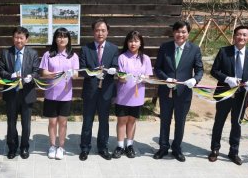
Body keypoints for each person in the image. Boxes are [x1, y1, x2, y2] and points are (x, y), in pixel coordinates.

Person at [209, 25, 248, 165]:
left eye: (244, 35)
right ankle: (214, 149)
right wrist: (227, 79)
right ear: (234, 36)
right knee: (219, 122)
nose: (241, 37)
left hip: (241, 96)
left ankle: (234, 152)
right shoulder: (224, 52)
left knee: (236, 124)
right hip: (224, 93)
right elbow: (214, 71)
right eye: (238, 34)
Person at [154, 20, 203, 162]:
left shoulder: (194, 49)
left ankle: (176, 148)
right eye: (177, 31)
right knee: (165, 120)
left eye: (183, 32)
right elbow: (158, 68)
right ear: (173, 32)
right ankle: (163, 147)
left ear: (188, 34)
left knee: (180, 121)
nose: (180, 34)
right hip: (166, 91)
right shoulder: (165, 47)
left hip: (184, 92)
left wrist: (195, 80)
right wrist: (166, 78)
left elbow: (199, 70)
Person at [79, 18, 119, 161]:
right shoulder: (85, 48)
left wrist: (112, 70)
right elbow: (82, 70)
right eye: (97, 30)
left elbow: (116, 67)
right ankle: (85, 147)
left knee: (104, 120)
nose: (100, 33)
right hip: (90, 90)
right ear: (93, 32)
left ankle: (102, 147)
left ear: (107, 32)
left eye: (103, 30)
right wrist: (94, 71)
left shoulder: (114, 49)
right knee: (87, 120)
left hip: (106, 90)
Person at [0, 26, 40, 159]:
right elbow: (0, 71)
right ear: (13, 38)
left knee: (26, 124)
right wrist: (11, 75)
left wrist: (31, 77)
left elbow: (36, 71)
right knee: (11, 122)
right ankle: (12, 147)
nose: (18, 40)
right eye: (16, 37)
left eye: (21, 38)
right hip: (11, 94)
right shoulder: (6, 53)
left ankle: (24, 147)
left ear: (26, 39)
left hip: (27, 93)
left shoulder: (33, 53)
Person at [39, 28, 80, 160]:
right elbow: (44, 73)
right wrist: (55, 74)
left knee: (63, 122)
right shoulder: (48, 54)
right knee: (52, 122)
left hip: (65, 95)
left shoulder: (73, 56)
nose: (61, 39)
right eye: (59, 36)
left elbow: (76, 75)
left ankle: (61, 147)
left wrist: (71, 73)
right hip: (51, 94)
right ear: (55, 39)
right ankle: (52, 145)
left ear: (69, 39)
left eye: (64, 37)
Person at [113, 31, 153, 159]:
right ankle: (120, 145)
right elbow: (119, 76)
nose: (133, 44)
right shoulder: (122, 57)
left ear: (140, 43)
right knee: (122, 120)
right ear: (126, 43)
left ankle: (129, 145)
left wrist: (144, 78)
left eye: (136, 41)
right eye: (130, 41)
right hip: (123, 95)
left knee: (132, 120)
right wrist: (122, 78)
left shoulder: (145, 59)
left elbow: (148, 76)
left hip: (137, 96)